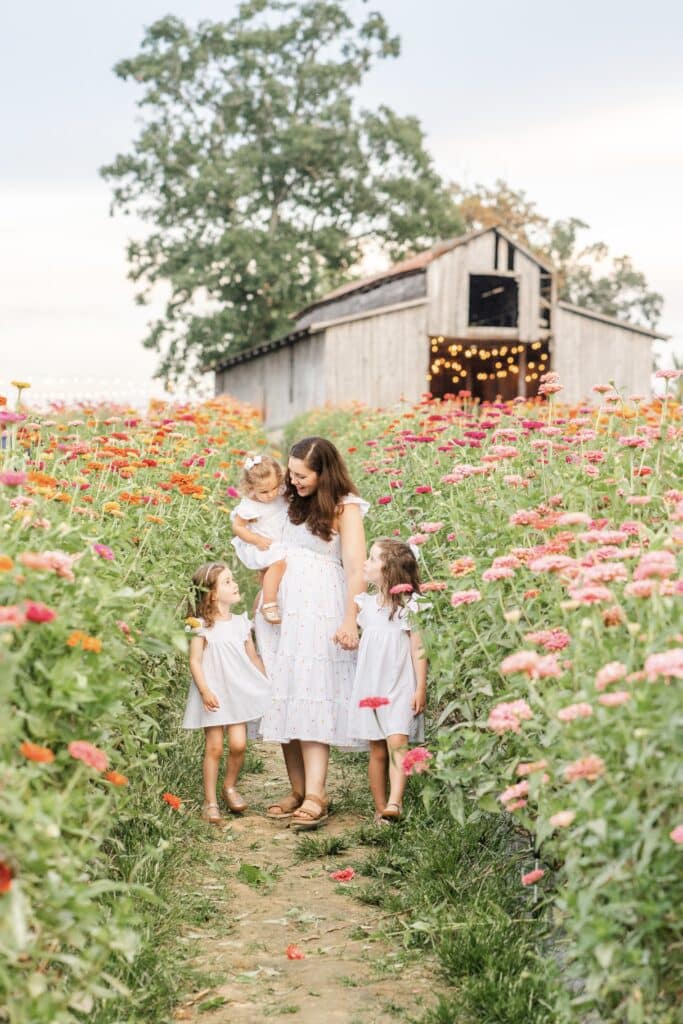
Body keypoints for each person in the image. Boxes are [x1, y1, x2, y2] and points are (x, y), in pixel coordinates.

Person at [255, 437, 368, 831]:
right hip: (280, 610)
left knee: (311, 690)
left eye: (302, 475)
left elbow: (356, 567)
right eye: (291, 473)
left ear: (324, 473)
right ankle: (297, 789)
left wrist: (350, 619)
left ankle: (317, 793)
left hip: (320, 607)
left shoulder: (345, 507)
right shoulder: (287, 503)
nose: (294, 481)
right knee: (282, 690)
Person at [347, 538, 427, 823]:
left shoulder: (410, 607)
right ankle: (381, 809)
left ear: (389, 569)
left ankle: (395, 802)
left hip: (401, 683)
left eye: (372, 558)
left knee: (398, 741)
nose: (366, 563)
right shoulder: (365, 605)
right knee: (377, 750)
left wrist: (420, 687)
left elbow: (419, 648)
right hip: (372, 685)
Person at [182, 562, 269, 823]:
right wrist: (204, 691)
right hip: (214, 695)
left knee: (239, 745)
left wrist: (266, 682)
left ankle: (229, 786)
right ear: (212, 594)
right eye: (228, 582)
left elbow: (253, 657)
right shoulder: (201, 626)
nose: (235, 584)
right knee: (215, 747)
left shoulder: (241, 623)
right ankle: (209, 802)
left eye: (233, 580)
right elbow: (195, 661)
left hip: (237, 693)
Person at [230, 454, 288, 624]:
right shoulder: (250, 505)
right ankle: (269, 605)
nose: (271, 495)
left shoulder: (280, 493)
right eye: (264, 492)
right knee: (279, 564)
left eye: (274, 488)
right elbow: (238, 527)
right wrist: (256, 540)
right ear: (251, 487)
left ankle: (256, 619)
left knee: (271, 581)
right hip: (263, 545)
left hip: (279, 542)